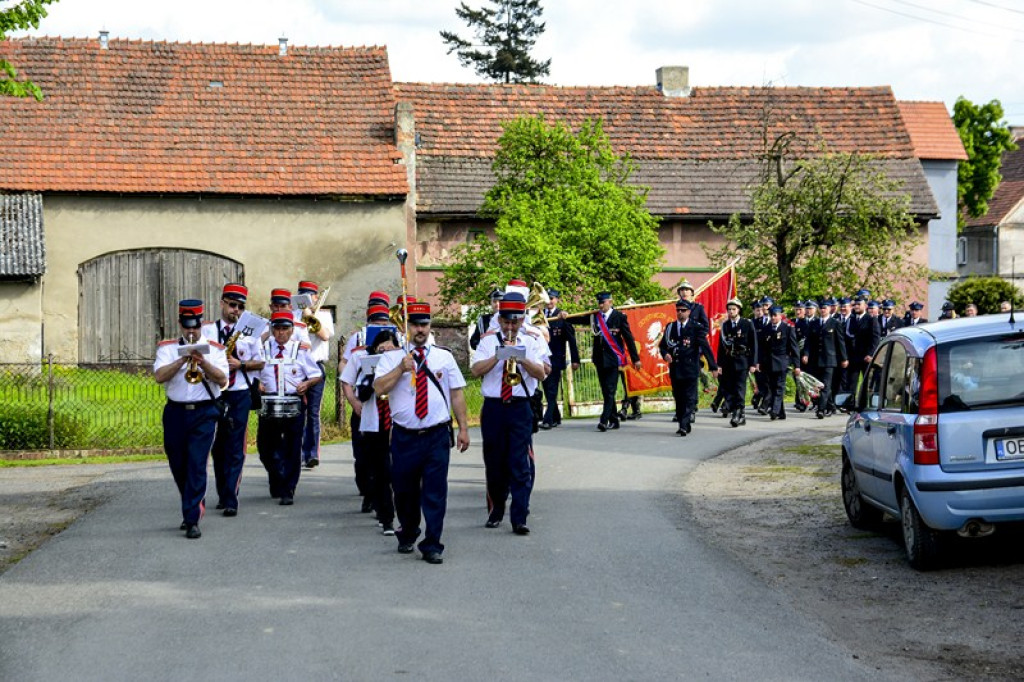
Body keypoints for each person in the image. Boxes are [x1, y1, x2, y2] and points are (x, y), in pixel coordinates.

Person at [374, 302, 470, 565]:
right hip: (405, 436)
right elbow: (378, 387)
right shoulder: (392, 357)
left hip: (436, 434)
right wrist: (400, 369)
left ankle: (432, 544)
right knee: (404, 491)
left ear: (430, 326)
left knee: (435, 491)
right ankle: (409, 529)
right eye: (415, 324)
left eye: (424, 324)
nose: (420, 329)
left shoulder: (443, 357)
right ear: (406, 327)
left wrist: (463, 428)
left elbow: (457, 393)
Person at [471, 292, 549, 534]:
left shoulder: (532, 340)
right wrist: (497, 356)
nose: (510, 327)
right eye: (506, 322)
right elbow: (475, 370)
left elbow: (541, 373)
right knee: (494, 463)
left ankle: (519, 517)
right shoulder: (487, 340)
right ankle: (496, 509)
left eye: (515, 322)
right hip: (494, 407)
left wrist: (521, 358)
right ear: (500, 319)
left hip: (519, 406)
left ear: (523, 319)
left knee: (519, 464)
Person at [153, 299, 229, 539]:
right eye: (187, 326)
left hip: (204, 412)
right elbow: (159, 377)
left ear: (201, 324)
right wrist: (181, 360)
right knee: (178, 464)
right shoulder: (166, 348)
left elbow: (223, 380)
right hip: (175, 412)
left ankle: (192, 518)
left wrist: (203, 362)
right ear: (180, 324)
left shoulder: (215, 349)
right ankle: (192, 502)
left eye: (195, 326)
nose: (191, 331)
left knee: (197, 463)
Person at [201, 283, 265, 517]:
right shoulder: (207, 331)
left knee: (236, 445)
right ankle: (222, 490)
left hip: (239, 391)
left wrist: (242, 365)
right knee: (218, 446)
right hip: (214, 392)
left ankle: (231, 498)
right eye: (231, 305)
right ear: (222, 303)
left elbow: (262, 361)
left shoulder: (250, 332)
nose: (235, 310)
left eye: (239, 306)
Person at [257, 311, 323, 506]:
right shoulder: (261, 349)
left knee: (292, 448)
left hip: (293, 402)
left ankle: (288, 489)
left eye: (285, 328)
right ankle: (277, 476)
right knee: (265, 449)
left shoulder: (300, 350)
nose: (281, 333)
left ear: (292, 330)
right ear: (272, 329)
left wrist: (307, 384)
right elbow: (252, 372)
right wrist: (257, 384)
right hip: (268, 403)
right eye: (277, 328)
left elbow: (317, 374)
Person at [340, 327, 399, 535]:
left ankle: (401, 513)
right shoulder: (363, 360)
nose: (386, 353)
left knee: (398, 471)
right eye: (382, 349)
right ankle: (386, 518)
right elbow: (362, 392)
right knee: (380, 470)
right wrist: (374, 373)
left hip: (398, 423)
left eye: (390, 349)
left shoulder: (403, 363)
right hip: (374, 423)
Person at [584, 292, 642, 432]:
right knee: (606, 391)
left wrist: (636, 358)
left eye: (603, 302)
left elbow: (628, 338)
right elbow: (577, 319)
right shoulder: (595, 317)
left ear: (610, 302)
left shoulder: (619, 317)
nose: (600, 305)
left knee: (610, 390)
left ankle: (604, 420)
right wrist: (564, 316)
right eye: (599, 303)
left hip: (613, 360)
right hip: (599, 359)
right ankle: (614, 419)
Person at [660, 300, 719, 436]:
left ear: (689, 312)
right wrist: (665, 354)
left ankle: (684, 424)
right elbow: (663, 345)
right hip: (676, 367)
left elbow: (705, 347)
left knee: (690, 397)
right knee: (679, 397)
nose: (680, 313)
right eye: (678, 310)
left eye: (683, 310)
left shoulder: (696, 327)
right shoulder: (670, 327)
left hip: (691, 367)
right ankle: (683, 421)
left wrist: (713, 367)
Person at [296, 281, 334, 469]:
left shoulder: (324, 315)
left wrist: (311, 317)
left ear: (316, 297)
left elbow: (325, 336)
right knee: (297, 412)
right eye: (301, 296)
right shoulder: (294, 315)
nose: (306, 299)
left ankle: (312, 454)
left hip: (316, 367)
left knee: (313, 413)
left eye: (309, 296)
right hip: (297, 368)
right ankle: (298, 452)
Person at [539, 288, 579, 430]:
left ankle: (548, 419)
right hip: (543, 359)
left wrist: (575, 360)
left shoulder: (562, 316)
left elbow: (571, 340)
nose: (549, 301)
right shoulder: (540, 316)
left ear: (557, 300)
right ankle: (556, 417)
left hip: (556, 358)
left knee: (552, 389)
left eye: (552, 298)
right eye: (547, 298)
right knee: (546, 388)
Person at [716, 298, 758, 427]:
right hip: (729, 362)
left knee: (740, 388)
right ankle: (740, 413)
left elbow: (754, 344)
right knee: (730, 388)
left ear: (739, 310)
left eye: (733, 309)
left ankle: (738, 413)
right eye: (729, 309)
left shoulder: (747, 324)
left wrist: (753, 363)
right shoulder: (726, 325)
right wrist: (719, 365)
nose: (731, 311)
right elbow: (721, 347)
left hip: (742, 361)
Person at [802, 300, 848, 417]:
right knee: (818, 384)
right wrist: (806, 354)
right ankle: (831, 405)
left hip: (829, 359)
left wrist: (844, 358)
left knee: (826, 385)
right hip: (816, 359)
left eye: (825, 308)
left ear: (829, 309)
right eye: (821, 308)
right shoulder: (814, 323)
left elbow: (840, 342)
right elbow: (808, 342)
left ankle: (821, 409)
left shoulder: (835, 323)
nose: (823, 310)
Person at [759, 305, 801, 420]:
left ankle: (775, 410)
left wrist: (797, 365)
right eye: (771, 315)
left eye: (775, 315)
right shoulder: (766, 329)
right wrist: (759, 362)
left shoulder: (787, 328)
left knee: (779, 386)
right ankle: (781, 412)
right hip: (769, 363)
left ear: (780, 316)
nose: (772, 318)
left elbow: (794, 348)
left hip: (782, 362)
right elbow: (762, 348)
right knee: (772, 387)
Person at [339, 290, 391, 374]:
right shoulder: (358, 337)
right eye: (376, 324)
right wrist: (347, 381)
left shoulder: (394, 337)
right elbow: (344, 362)